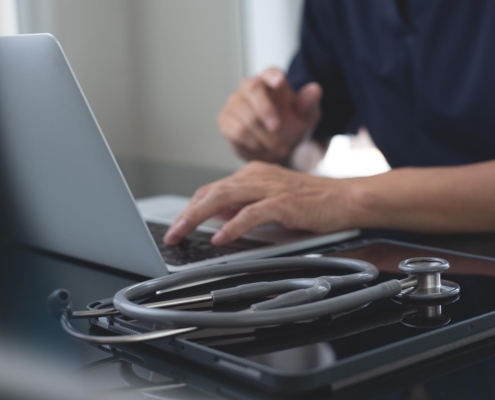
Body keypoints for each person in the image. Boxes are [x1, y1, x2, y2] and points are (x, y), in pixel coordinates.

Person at [165, 0, 495, 247]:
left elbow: (339, 197)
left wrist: (348, 198)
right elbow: (312, 122)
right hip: (407, 257)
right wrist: (276, 136)